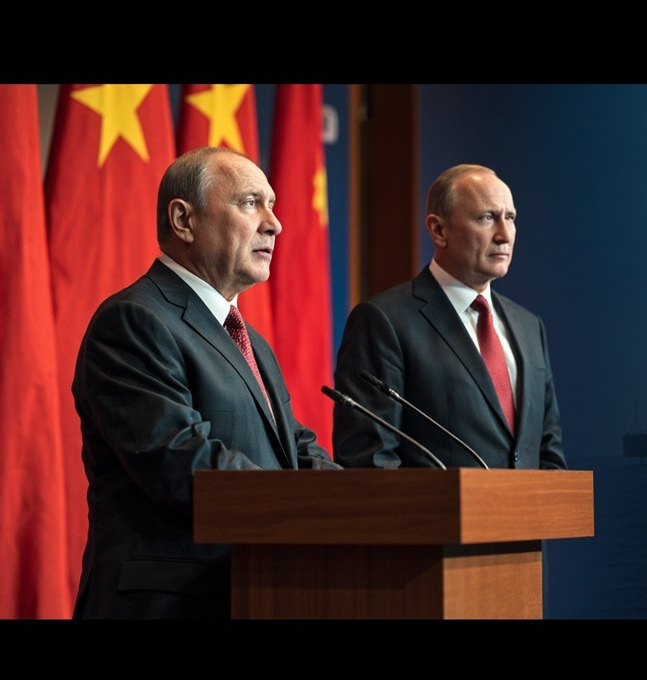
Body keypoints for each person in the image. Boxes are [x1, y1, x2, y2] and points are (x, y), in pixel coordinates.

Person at [72, 147, 341, 619]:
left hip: (253, 592)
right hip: (169, 605)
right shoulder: (133, 321)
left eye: (273, 205)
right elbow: (182, 462)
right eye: (251, 203)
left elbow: (293, 448)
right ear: (184, 220)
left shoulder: (248, 339)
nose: (275, 223)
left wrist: (372, 502)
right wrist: (307, 505)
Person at [333, 164, 566, 471]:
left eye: (510, 218)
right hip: (439, 518)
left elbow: (547, 453)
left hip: (527, 517)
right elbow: (370, 462)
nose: (504, 234)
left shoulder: (529, 326)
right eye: (487, 218)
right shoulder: (384, 321)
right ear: (438, 230)